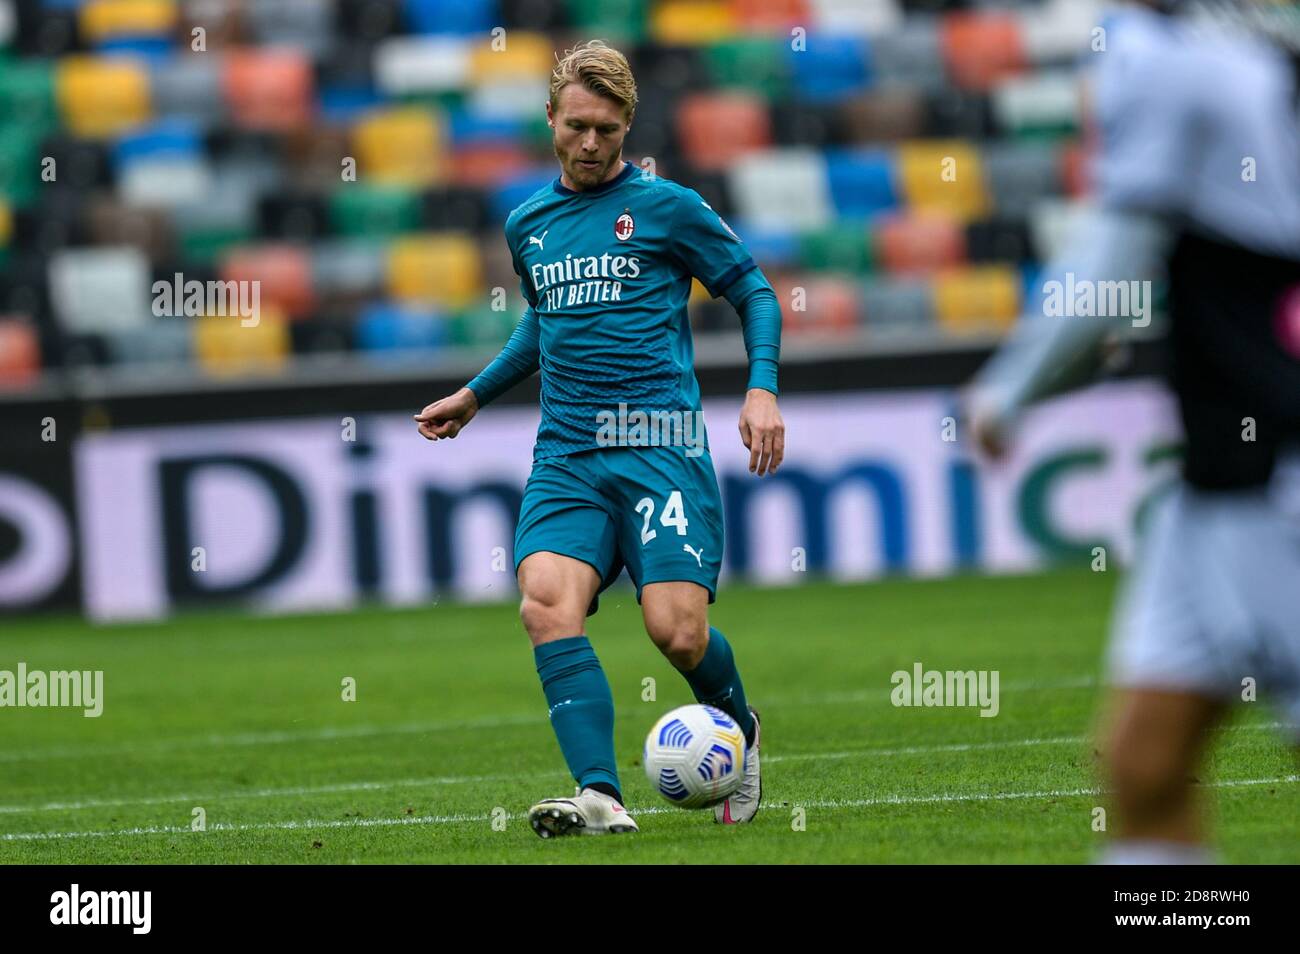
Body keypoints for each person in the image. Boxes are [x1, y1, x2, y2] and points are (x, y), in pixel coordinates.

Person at [415, 40, 785, 836]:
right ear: (550, 117)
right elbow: (545, 325)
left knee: (676, 632)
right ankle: (599, 795)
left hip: (659, 446)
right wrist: (477, 394)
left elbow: (753, 289)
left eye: (608, 130)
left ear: (628, 128)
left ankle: (740, 726)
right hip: (569, 454)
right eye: (577, 126)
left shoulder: (670, 207)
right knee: (546, 603)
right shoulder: (529, 224)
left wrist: (761, 386)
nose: (590, 144)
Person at [966, 0, 1300, 863]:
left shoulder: (1151, 51)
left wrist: (1008, 390)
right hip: (1217, 482)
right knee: (1144, 765)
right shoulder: (1229, 39)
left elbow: (1117, 255)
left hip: (1275, 476)